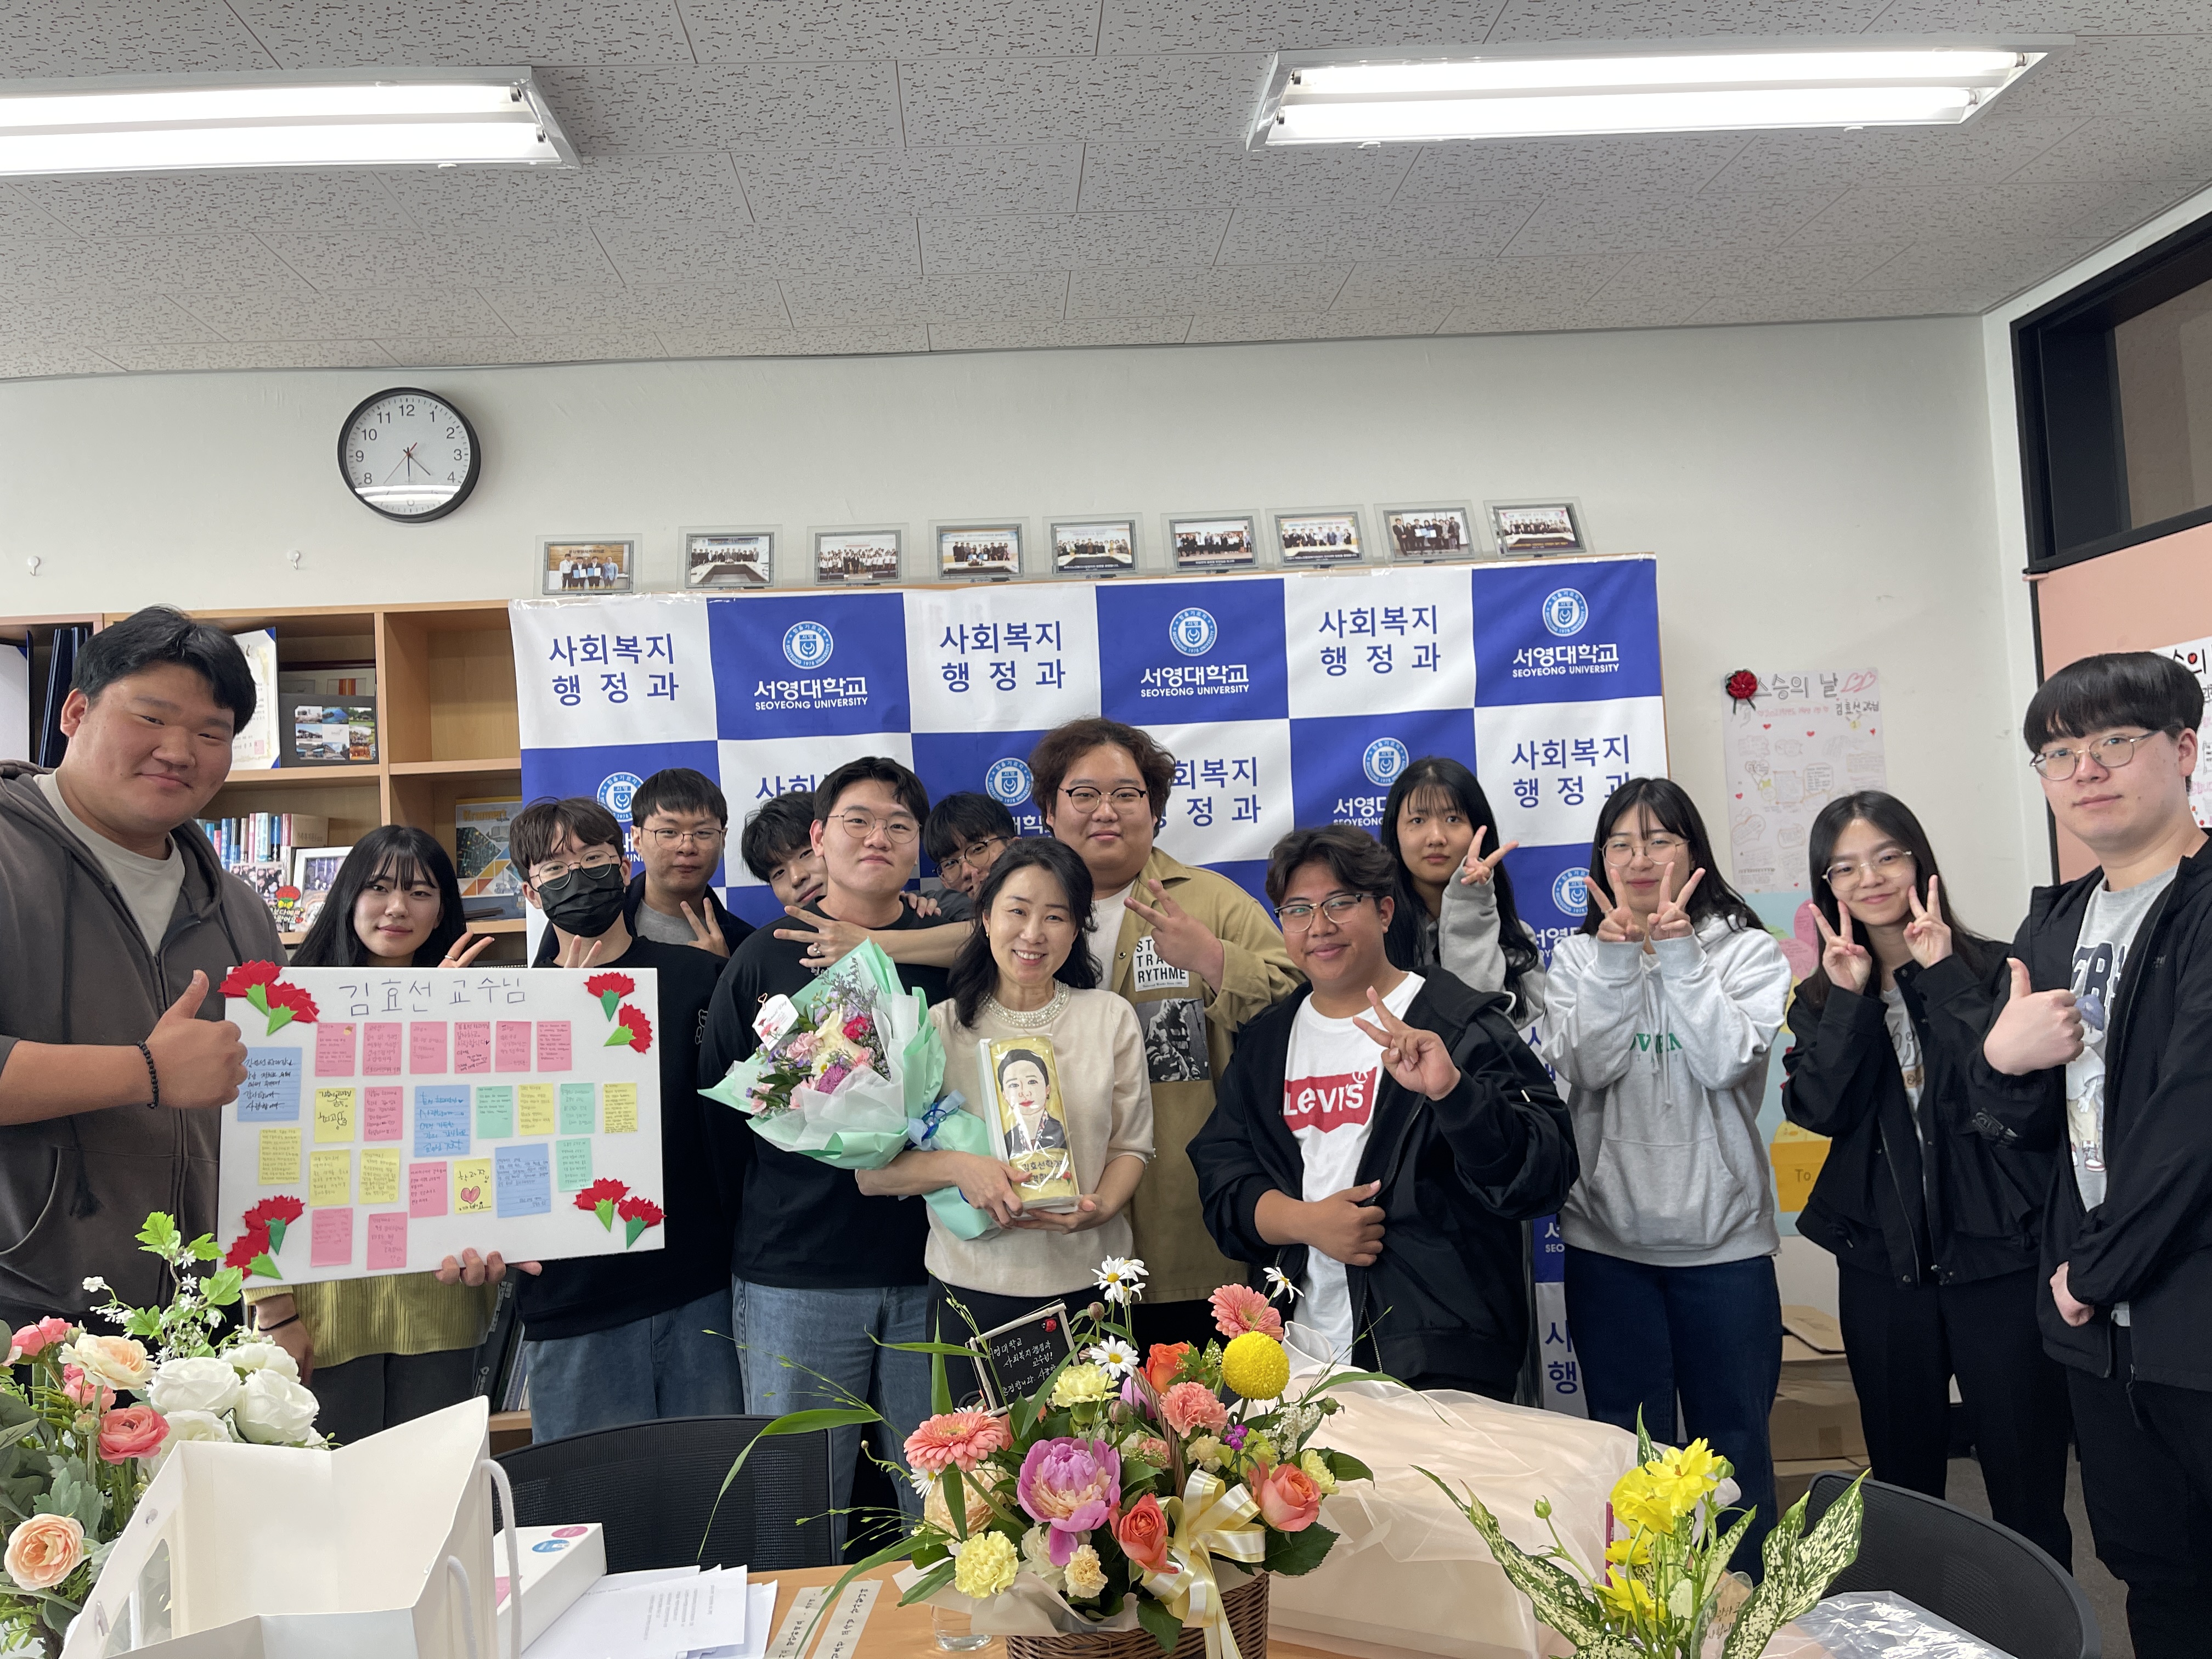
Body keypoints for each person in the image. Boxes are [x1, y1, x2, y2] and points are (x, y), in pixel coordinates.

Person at [1976, 653, 2212, 1659]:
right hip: (2100, 1335)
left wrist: (2094, 1272)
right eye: (2058, 752)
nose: (2086, 769)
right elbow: (2022, 1129)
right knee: (2154, 1575)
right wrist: (2000, 1061)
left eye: (2115, 740)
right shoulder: (2056, 920)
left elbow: (2194, 1121)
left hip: (2184, 1310)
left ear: (2183, 750)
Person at [1779, 793, 2070, 1564]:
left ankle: (2042, 1623)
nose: (1870, 878)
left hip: (1998, 1261)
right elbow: (1820, 1111)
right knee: (1904, 1490)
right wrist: (1849, 1000)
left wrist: (1942, 977)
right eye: (1845, 867)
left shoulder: (1994, 968)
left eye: (1887, 856)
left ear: (1920, 861)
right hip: (1883, 1266)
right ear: (1827, 886)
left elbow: (2017, 1101)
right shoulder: (1821, 996)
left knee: (2027, 1482)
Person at [1190, 826, 1575, 1393]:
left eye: (1340, 903)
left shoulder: (1458, 1023)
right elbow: (1223, 1180)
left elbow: (1542, 1176)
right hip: (1294, 1361)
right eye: (1298, 910)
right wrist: (1307, 1222)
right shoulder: (1267, 1043)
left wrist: (1454, 1093)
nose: (1319, 926)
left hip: (1438, 1360)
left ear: (1386, 911)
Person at [1543, 777, 1791, 1568]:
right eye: (1621, 843)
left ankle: (1745, 1615)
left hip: (1725, 1250)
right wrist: (1618, 963)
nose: (1640, 858)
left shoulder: (1748, 951)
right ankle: (1644, 1618)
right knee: (1628, 1456)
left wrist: (1680, 955)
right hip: (1610, 1247)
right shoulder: (1577, 957)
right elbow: (1587, 1066)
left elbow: (1724, 1063)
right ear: (1602, 860)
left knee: (1736, 1454)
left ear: (1693, 852)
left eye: (1659, 840)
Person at [0, 606, 270, 1328]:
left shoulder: (240, 911)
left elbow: (276, 1116)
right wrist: (145, 1072)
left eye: (211, 733)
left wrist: (274, 1300)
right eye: (151, 718)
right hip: (23, 1320)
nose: (179, 751)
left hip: (199, 1322)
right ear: (76, 712)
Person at [701, 758, 950, 1526]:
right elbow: (721, 1122)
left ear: (918, 844)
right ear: (818, 836)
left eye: (899, 825)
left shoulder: (952, 954)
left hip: (936, 1270)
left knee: (949, 1514)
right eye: (858, 821)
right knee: (795, 1511)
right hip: (795, 1275)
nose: (879, 837)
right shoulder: (765, 955)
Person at [1030, 717, 1301, 1351]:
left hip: (1187, 1230)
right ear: (1048, 811)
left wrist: (1214, 960)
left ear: (1154, 811)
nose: (1106, 811)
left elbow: (1304, 1010)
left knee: (1198, 1413)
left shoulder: (1210, 903)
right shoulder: (1021, 912)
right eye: (1084, 794)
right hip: (1052, 1241)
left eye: (1127, 794)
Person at [856, 838, 1150, 1401]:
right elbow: (874, 1175)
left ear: (1076, 929)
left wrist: (1100, 1209)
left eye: (1055, 917)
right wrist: (960, 1167)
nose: (1033, 933)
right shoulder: (936, 1029)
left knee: (1098, 1457)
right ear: (986, 918)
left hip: (1091, 1288)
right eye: (1017, 911)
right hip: (972, 1293)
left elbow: (1131, 1148)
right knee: (977, 1457)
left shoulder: (1109, 1018)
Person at [248, 827, 506, 1443]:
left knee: (433, 1488)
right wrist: (272, 1308)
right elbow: (253, 1157)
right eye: (379, 888)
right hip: (321, 1311)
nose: (397, 908)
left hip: (440, 1302)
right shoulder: (284, 1010)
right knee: (328, 1487)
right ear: (347, 897)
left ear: (442, 910)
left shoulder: (479, 1004)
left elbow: (492, 1139)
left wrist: (442, 1016)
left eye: (420, 892)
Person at [511, 796, 746, 1440]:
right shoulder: (510, 1006)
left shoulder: (701, 976)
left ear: (624, 868)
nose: (578, 876)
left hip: (698, 1284)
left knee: (715, 1490)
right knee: (591, 1495)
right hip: (572, 1298)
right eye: (555, 869)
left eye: (593, 859)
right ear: (530, 892)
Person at [1376, 756, 1547, 1022]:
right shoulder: (1374, 936)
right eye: (1418, 820)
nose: (1436, 837)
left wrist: (1470, 905)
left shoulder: (1515, 940)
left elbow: (1486, 1028)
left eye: (1453, 818)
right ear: (1394, 833)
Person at [531, 768, 751, 965]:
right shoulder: (586, 917)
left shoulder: (744, 943)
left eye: (703, 833)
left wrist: (727, 971)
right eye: (668, 832)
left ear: (722, 840)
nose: (687, 847)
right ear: (637, 839)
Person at [921, 791, 1018, 921]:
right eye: (950, 863)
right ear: (944, 881)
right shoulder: (933, 916)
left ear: (1015, 849)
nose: (967, 872)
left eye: (978, 849)